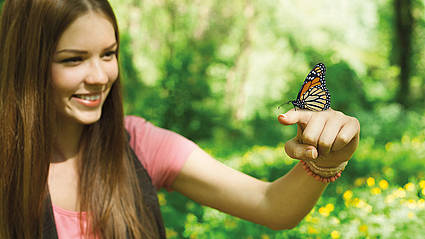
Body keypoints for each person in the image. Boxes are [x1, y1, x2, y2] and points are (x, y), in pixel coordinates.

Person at [0, 0, 360, 238]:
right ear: (25, 63)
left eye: (108, 54)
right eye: (73, 59)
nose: (99, 75)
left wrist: (328, 161)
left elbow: (272, 206)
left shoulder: (140, 144)